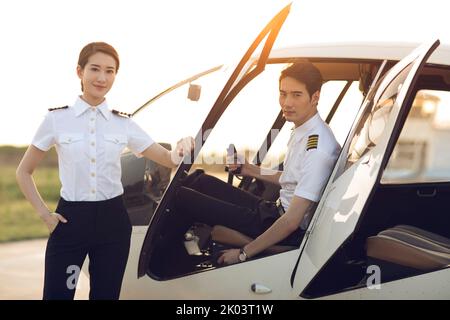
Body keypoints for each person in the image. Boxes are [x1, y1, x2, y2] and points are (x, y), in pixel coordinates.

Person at [15, 42, 194, 300]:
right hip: (70, 221)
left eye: (110, 71)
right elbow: (24, 171)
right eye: (95, 69)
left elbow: (167, 158)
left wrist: (183, 145)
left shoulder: (123, 123)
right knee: (57, 296)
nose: (102, 78)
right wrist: (45, 215)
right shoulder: (56, 119)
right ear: (80, 72)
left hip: (113, 222)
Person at [176, 62, 340, 265]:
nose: (287, 102)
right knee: (199, 181)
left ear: (315, 97)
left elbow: (291, 222)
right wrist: (249, 169)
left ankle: (170, 263)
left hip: (282, 224)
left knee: (181, 197)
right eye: (283, 94)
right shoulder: (304, 131)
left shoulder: (318, 148)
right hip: (272, 210)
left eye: (296, 95)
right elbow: (291, 179)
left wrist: (244, 253)